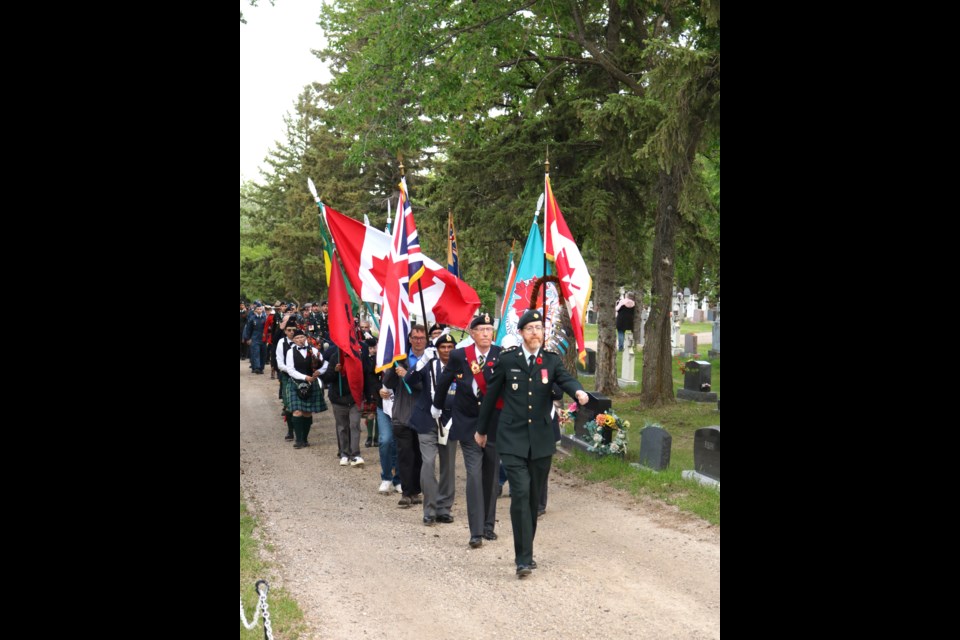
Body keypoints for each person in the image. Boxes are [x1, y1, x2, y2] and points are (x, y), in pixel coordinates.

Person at [476, 309, 588, 578]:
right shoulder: (507, 360)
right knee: (521, 493)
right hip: (512, 438)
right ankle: (523, 559)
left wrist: (579, 391)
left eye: (539, 327)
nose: (535, 332)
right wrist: (481, 430)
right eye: (530, 328)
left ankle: (527, 548)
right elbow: (491, 396)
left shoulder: (551, 361)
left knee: (533, 497)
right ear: (522, 333)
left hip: (540, 440)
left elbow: (566, 379)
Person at [433, 313, 502, 549]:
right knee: (473, 475)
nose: (485, 333)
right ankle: (475, 532)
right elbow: (444, 381)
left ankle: (488, 525)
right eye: (480, 330)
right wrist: (437, 406)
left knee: (491, 476)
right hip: (468, 423)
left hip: (493, 423)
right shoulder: (460, 355)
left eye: (488, 329)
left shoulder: (501, 355)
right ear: (472, 334)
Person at [407, 332, 457, 526]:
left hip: (450, 421)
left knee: (448, 466)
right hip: (427, 421)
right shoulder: (429, 365)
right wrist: (421, 362)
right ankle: (429, 509)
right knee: (428, 463)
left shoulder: (460, 367)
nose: (446, 351)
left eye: (450, 348)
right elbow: (409, 381)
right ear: (436, 349)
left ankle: (444, 508)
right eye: (442, 347)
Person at [284, 328, 329, 448]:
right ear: (293, 340)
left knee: (307, 412)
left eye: (302, 337)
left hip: (311, 384)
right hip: (295, 383)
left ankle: (305, 439)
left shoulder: (313, 350)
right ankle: (298, 440)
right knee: (297, 411)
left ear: (305, 338)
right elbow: (290, 370)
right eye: (297, 338)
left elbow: (325, 363)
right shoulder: (290, 352)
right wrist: (305, 377)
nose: (300, 340)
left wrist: (319, 372)